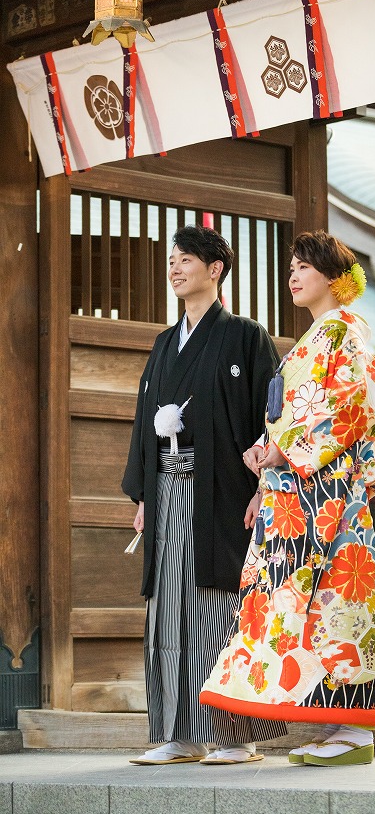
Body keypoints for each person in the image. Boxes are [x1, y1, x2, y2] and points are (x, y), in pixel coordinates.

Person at [201, 230, 375, 766]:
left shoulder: (347, 331)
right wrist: (266, 458)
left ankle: (355, 731)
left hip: (330, 491)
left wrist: (284, 449)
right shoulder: (315, 339)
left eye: (305, 267)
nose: (293, 275)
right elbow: (292, 417)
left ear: (335, 278)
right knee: (308, 605)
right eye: (291, 267)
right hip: (300, 493)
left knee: (340, 595)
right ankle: (334, 723)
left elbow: (354, 404)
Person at [122, 224, 286, 765]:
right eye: (171, 260)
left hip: (222, 493)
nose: (174, 268)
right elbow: (145, 422)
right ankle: (179, 735)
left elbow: (271, 417)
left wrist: (266, 484)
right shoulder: (164, 344)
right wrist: (144, 494)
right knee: (169, 609)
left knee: (218, 607)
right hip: (168, 490)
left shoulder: (245, 336)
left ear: (215, 269)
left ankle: (235, 736)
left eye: (185, 259)